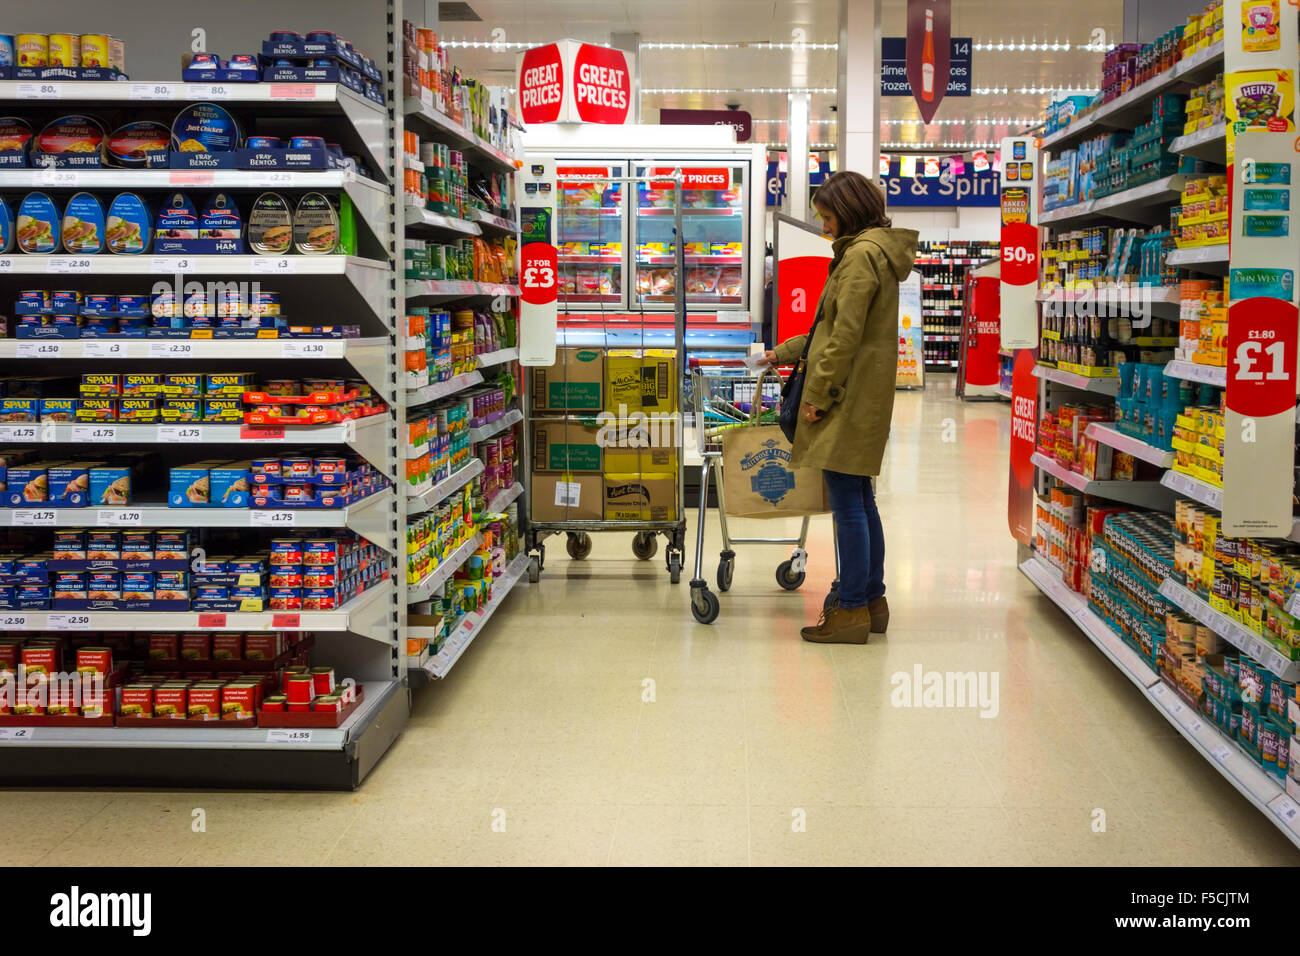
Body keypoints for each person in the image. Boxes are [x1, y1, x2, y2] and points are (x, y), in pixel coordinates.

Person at [759, 170, 918, 645]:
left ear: (847, 211)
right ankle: (871, 600)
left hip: (845, 400)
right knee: (861, 500)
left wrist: (817, 397)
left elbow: (843, 338)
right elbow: (832, 331)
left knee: (849, 504)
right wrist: (781, 353)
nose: (824, 228)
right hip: (863, 397)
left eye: (827, 217)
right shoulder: (877, 254)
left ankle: (850, 609)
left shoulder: (859, 257)